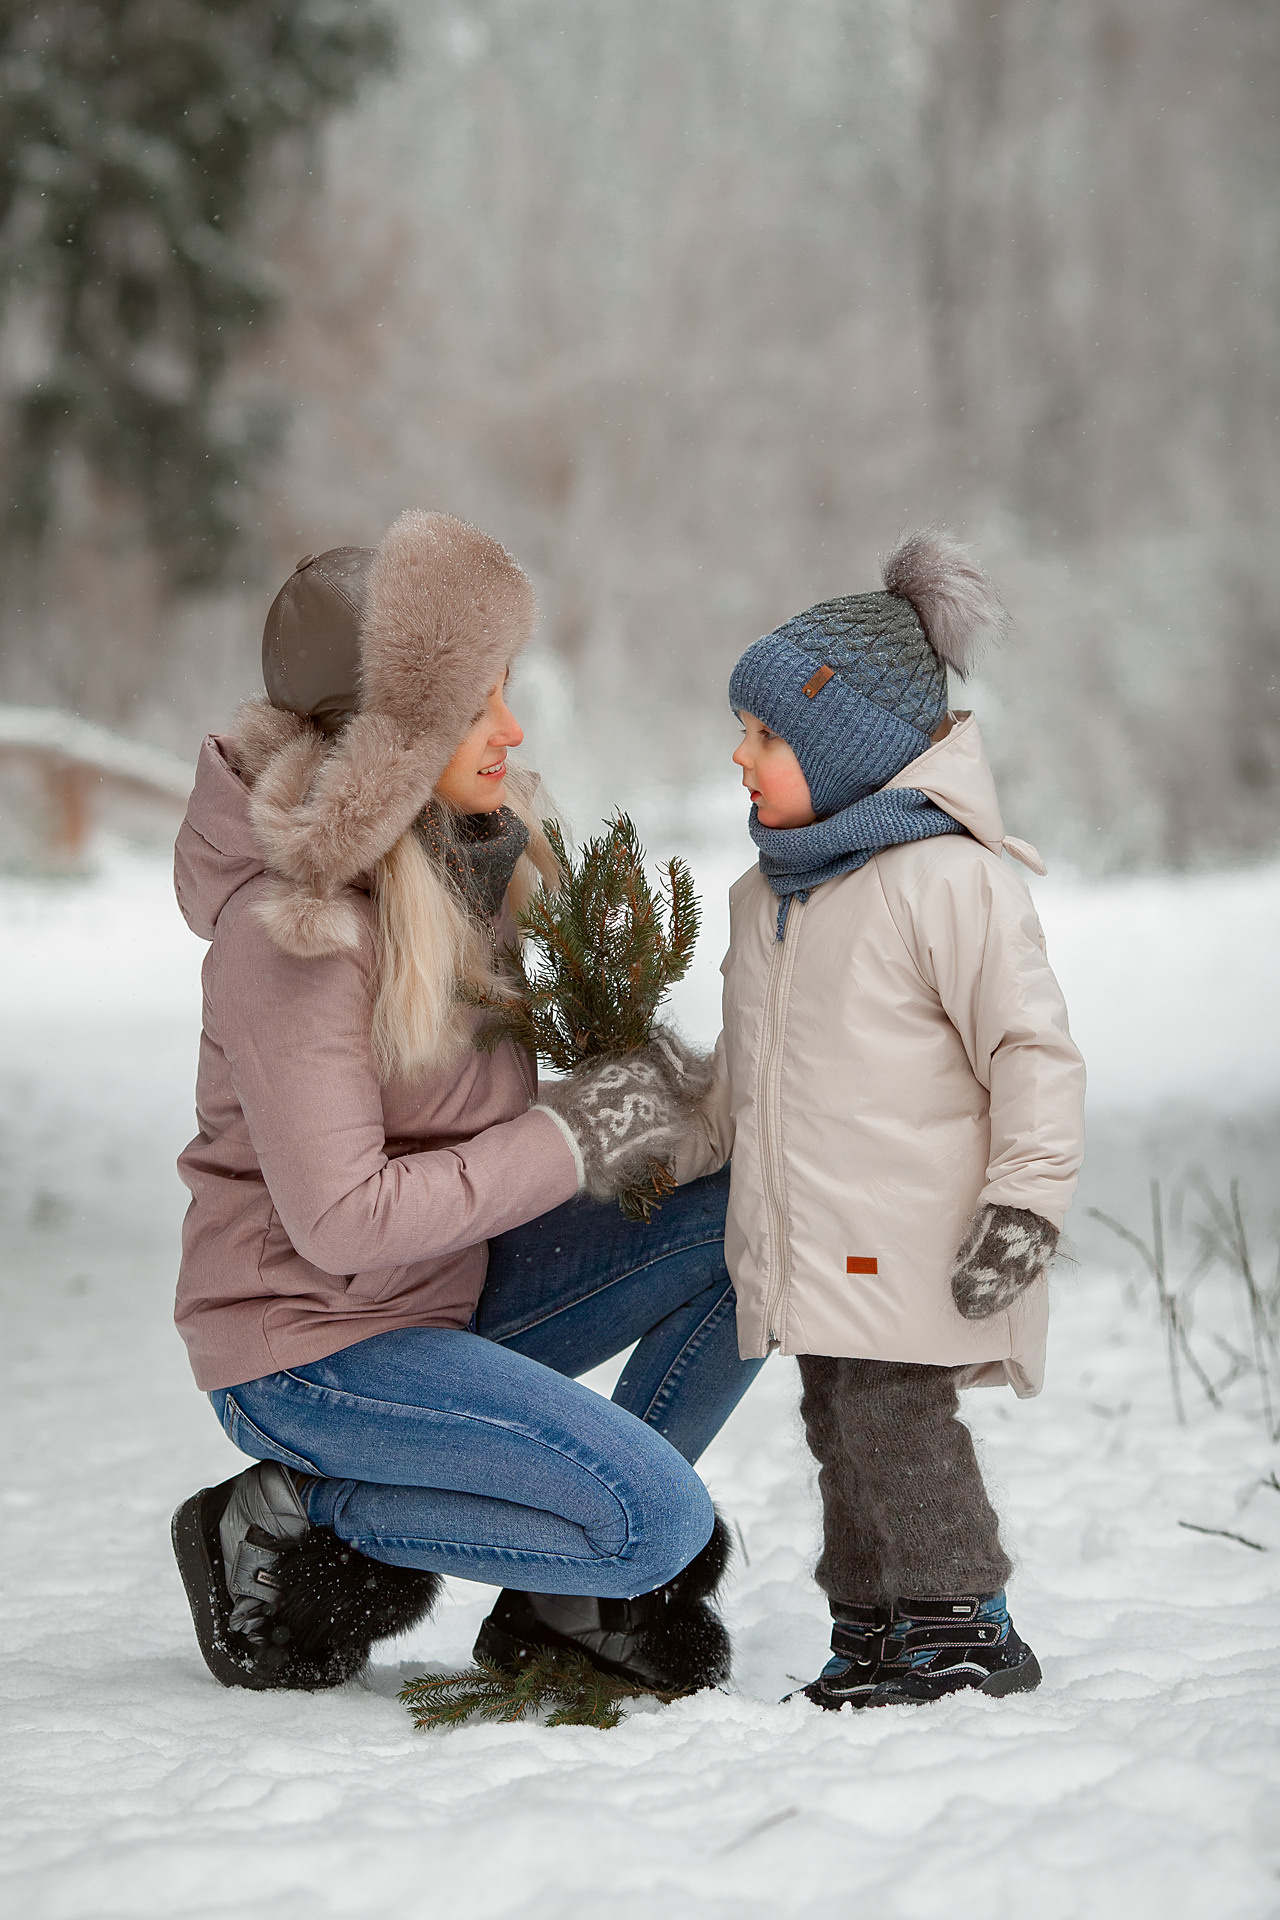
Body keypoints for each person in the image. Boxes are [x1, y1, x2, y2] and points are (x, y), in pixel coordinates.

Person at [169, 510, 763, 1695]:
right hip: (313, 1344)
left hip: (445, 1289)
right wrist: (573, 1131)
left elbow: (457, 1126)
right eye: (473, 703)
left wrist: (664, 1109)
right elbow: (342, 1219)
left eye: (504, 688)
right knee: (654, 1524)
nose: (510, 727)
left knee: (752, 1219)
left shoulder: (456, 858)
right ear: (388, 741)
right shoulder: (293, 932)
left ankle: (563, 1586)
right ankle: (296, 1509)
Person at [672, 530, 1086, 1709]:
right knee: (837, 1422)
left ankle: (961, 1622)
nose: (739, 757)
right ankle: (873, 1623)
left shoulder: (946, 881)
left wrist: (1024, 1202)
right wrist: (640, 1133)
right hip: (818, 1239)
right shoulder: (765, 898)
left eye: (765, 735)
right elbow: (740, 1085)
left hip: (919, 1235)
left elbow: (1031, 1052)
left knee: (897, 1420)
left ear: (845, 747)